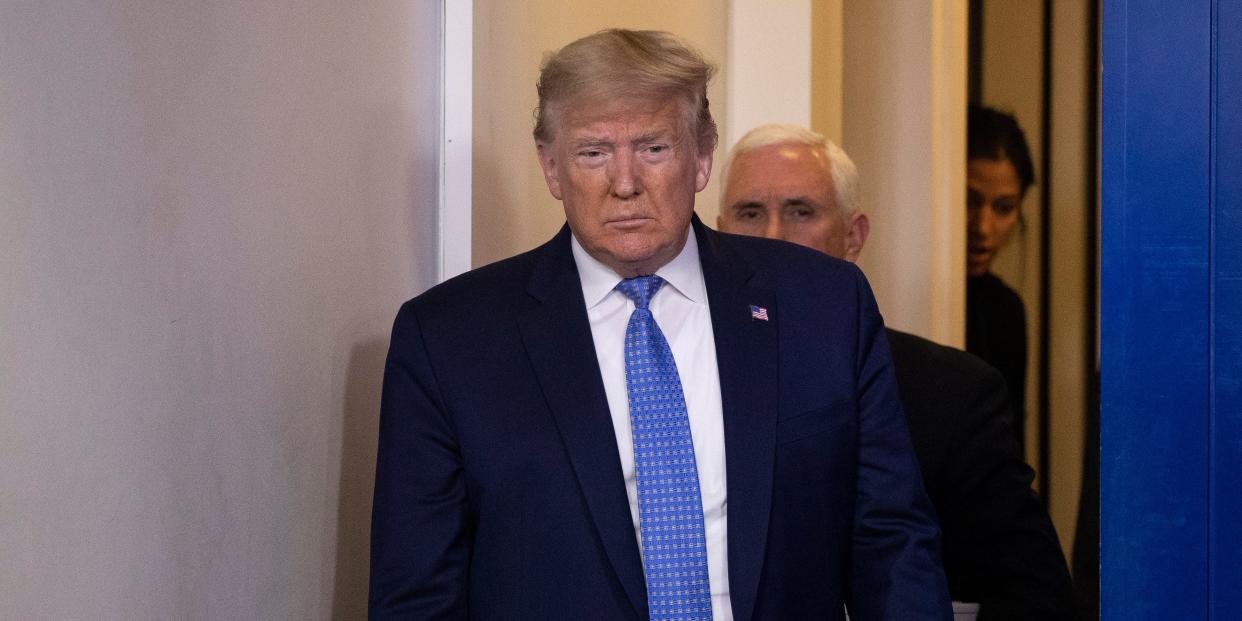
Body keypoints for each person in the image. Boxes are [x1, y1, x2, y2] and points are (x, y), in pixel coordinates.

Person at [369, 30, 951, 620]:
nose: (624, 183)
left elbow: (892, 543)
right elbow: (418, 595)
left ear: (702, 156)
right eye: (593, 153)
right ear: (551, 167)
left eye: (653, 148)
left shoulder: (822, 306)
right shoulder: (449, 340)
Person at [717, 123, 1075, 620]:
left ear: (853, 238)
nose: (773, 236)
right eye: (750, 213)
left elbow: (1034, 594)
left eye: (801, 212)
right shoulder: (672, 378)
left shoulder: (953, 396)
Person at [966, 105, 1033, 450]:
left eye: (1004, 208)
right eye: (970, 201)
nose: (983, 227)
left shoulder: (1006, 309)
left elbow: (1010, 441)